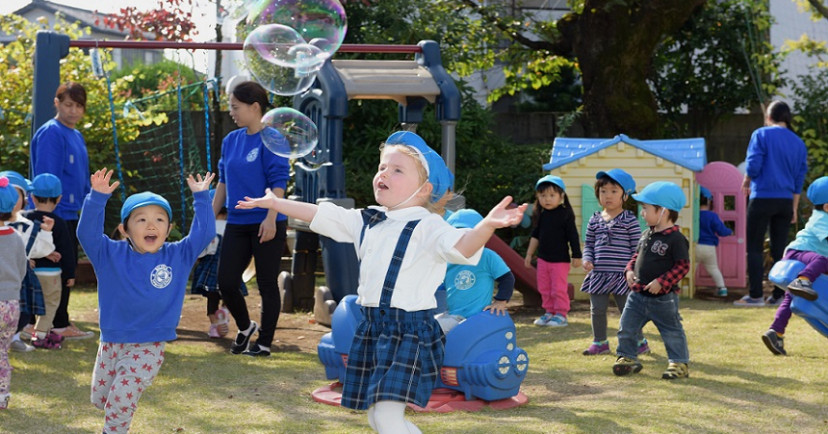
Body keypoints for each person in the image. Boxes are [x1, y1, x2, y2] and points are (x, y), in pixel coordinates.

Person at [236, 131, 526, 434]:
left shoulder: (429, 226)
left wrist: (487, 225)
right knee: (377, 418)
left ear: (424, 189)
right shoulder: (369, 219)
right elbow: (320, 213)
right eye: (382, 167)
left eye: (397, 169)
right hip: (373, 329)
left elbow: (464, 246)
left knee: (387, 419)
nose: (384, 173)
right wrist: (276, 202)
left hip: (409, 332)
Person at [78, 168, 214, 433]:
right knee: (102, 399)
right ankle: (112, 411)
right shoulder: (109, 254)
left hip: (148, 345)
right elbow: (86, 235)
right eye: (141, 220)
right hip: (111, 342)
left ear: (169, 228)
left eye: (160, 219)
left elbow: (205, 232)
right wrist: (97, 198)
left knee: (121, 399)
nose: (151, 225)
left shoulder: (179, 254)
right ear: (124, 229)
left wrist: (201, 197)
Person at [213, 81, 291, 357]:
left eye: (235, 107)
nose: (231, 112)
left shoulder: (273, 139)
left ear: (254, 107)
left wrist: (271, 218)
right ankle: (245, 327)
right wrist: (208, 221)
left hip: (266, 221)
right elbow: (223, 183)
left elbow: (278, 182)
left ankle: (265, 342)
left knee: (267, 283)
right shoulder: (230, 141)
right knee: (226, 281)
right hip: (237, 222)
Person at [30, 82, 93, 338]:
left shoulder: (76, 135)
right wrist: (49, 215)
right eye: (68, 104)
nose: (74, 111)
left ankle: (59, 322)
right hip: (54, 215)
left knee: (66, 268)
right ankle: (56, 324)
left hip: (72, 212)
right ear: (56, 103)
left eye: (79, 106)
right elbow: (46, 179)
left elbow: (82, 177)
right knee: (56, 268)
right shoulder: (51, 133)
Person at [613, 181, 691, 380]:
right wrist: (629, 270)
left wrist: (662, 282)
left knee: (671, 331)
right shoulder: (646, 234)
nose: (642, 213)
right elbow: (636, 257)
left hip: (663, 299)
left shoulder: (676, 239)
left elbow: (682, 266)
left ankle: (679, 363)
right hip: (637, 295)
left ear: (663, 211)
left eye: (645, 209)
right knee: (626, 327)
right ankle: (628, 358)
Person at [737, 100, 808, 307]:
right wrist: (794, 207)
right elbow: (798, 179)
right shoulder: (798, 142)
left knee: (755, 247)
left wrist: (747, 179)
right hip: (785, 201)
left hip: (762, 197)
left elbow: (754, 164)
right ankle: (778, 295)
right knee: (780, 250)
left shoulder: (761, 134)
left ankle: (756, 295)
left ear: (769, 117)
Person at [580, 169, 648, 356]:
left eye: (613, 191)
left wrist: (633, 270)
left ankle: (639, 341)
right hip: (599, 274)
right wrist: (587, 259)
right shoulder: (593, 219)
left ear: (625, 196)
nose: (607, 195)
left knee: (628, 311)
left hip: (622, 276)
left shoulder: (630, 220)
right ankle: (600, 342)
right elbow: (589, 245)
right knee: (597, 310)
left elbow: (637, 248)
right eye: (603, 191)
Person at [762, 176, 828, 356]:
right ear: (827, 207)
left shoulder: (822, 215)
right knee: (823, 261)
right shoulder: (822, 219)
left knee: (790, 297)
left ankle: (776, 332)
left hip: (805, 260)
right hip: (799, 255)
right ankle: (803, 280)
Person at [435, 209, 515, 333]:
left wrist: (500, 301)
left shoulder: (487, 256)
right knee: (427, 324)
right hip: (453, 315)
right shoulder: (449, 259)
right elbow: (440, 286)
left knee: (432, 329)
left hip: (475, 317)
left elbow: (507, 278)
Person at [1, 171, 53, 353]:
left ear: (25, 199)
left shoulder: (27, 225)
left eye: (17, 195)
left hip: (18, 279)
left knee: (22, 313)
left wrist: (46, 232)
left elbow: (40, 249)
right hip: (13, 279)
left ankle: (14, 338)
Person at [23, 173, 75, 349]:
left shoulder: (24, 218)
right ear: (59, 198)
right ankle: (41, 335)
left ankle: (25, 329)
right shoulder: (59, 222)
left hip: (28, 271)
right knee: (50, 304)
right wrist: (70, 274)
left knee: (29, 301)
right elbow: (67, 252)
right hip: (51, 274)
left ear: (32, 197)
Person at [524, 175, 582, 327]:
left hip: (560, 260)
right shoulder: (541, 215)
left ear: (561, 196)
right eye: (543, 195)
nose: (547, 199)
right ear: (538, 197)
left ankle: (561, 314)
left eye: (552, 195)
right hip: (543, 259)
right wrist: (529, 255)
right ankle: (549, 312)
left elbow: (573, 236)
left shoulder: (565, 214)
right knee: (544, 288)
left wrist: (577, 255)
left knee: (558, 288)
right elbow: (535, 236)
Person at [191, 189, 245, 338]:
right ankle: (226, 311)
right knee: (231, 292)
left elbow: (203, 249)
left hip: (211, 266)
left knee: (212, 297)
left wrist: (199, 257)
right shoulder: (232, 227)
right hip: (230, 264)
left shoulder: (210, 227)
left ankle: (214, 324)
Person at [0, 176, 28, 409]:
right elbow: (22, 268)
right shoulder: (16, 238)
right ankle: (2, 395)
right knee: (2, 351)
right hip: (11, 304)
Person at [696, 186, 733, 297]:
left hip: (695, 246)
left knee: (690, 268)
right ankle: (722, 289)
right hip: (709, 247)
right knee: (713, 268)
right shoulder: (712, 216)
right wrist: (729, 231)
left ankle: (684, 288)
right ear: (709, 201)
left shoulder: (694, 215)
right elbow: (721, 231)